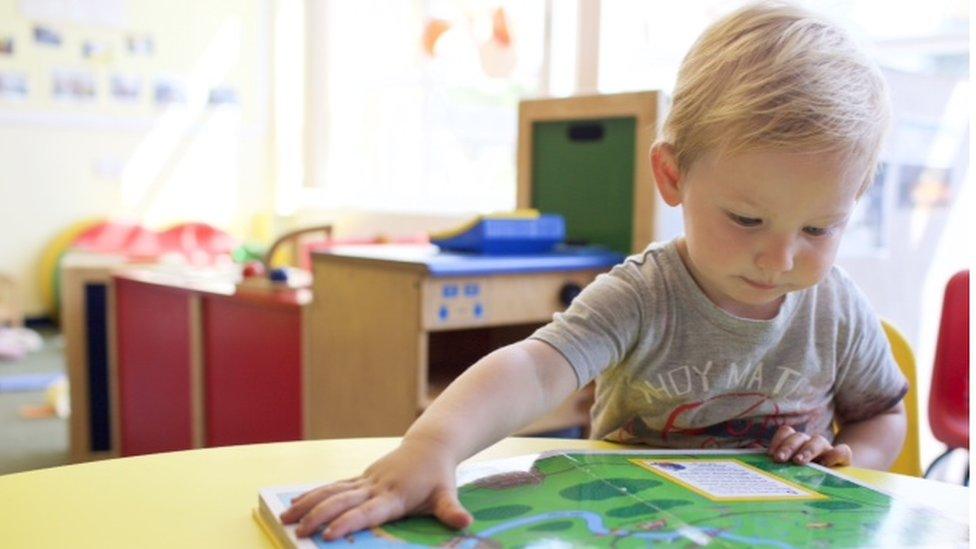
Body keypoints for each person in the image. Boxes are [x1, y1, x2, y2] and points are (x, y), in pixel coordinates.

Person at [282, 1, 907, 540]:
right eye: (746, 220)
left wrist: (847, 459)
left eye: (819, 229)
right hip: (634, 527)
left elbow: (882, 413)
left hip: (786, 531)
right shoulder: (642, 295)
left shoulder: (837, 309)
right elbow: (533, 367)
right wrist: (432, 446)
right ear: (672, 176)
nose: (780, 260)